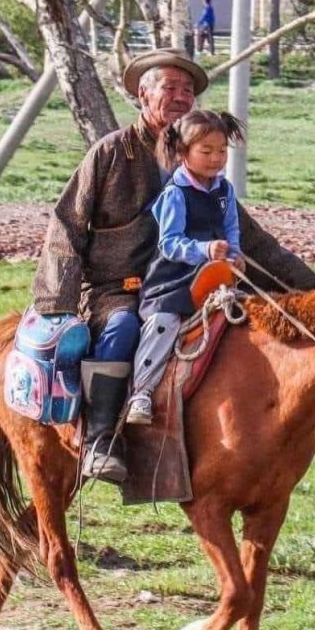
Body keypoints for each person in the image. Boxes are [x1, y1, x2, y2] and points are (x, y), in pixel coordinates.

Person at [31, 47, 315, 485]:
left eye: (188, 91)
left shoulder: (204, 170)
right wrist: (59, 302)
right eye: (170, 87)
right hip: (119, 287)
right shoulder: (111, 153)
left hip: (195, 283)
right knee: (122, 330)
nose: (181, 97)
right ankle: (100, 441)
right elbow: (67, 223)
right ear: (143, 95)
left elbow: (258, 243)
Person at [126, 111, 245, 425]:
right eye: (206, 152)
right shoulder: (175, 193)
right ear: (183, 153)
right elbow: (169, 243)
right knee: (163, 321)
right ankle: (142, 391)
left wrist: (234, 253)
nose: (216, 159)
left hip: (216, 275)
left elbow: (231, 228)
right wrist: (204, 249)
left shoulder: (225, 190)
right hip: (173, 278)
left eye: (221, 151)